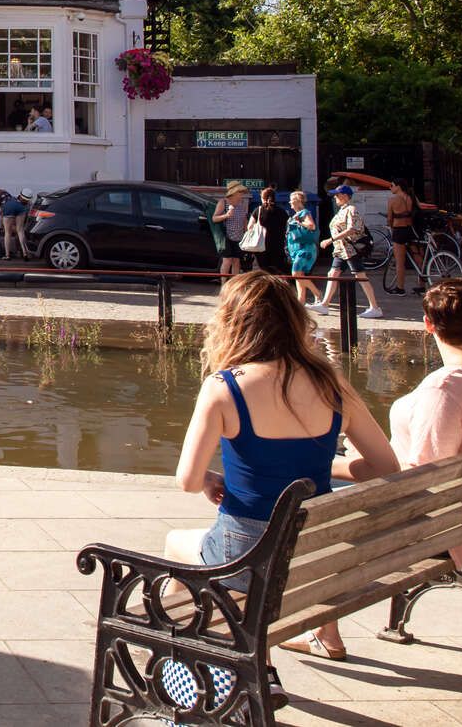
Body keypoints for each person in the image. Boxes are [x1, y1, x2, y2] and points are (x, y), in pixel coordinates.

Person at [163, 272, 398, 698]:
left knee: (177, 544)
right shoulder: (333, 386)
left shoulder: (224, 388)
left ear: (232, 323)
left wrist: (211, 480)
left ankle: (196, 671)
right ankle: (252, 662)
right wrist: (322, 465)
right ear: (295, 321)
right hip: (314, 552)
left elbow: (187, 480)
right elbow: (383, 465)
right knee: (247, 560)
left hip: (245, 554)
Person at [290, 278, 462, 662]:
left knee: (313, 489)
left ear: (428, 326)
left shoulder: (444, 390)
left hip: (444, 522)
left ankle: (324, 632)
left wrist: (339, 465)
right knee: (325, 477)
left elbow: (417, 481)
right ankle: (321, 629)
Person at [319, 184, 384, 320]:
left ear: (344, 196)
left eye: (337, 195)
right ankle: (324, 304)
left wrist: (330, 240)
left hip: (350, 250)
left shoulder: (351, 209)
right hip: (341, 250)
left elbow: (352, 229)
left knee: (360, 276)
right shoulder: (342, 210)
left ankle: (375, 307)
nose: (335, 197)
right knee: (333, 273)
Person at [285, 191, 321, 307]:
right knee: (299, 275)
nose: (290, 202)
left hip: (304, 248)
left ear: (298, 201)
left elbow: (311, 225)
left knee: (296, 274)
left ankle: (317, 293)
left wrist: (299, 222)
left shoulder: (304, 213)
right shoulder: (296, 215)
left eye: (292, 200)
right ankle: (301, 301)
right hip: (296, 249)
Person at [385, 178, 418, 296]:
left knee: (400, 262)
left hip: (399, 231)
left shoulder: (392, 200)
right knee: (418, 257)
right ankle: (422, 285)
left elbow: (389, 218)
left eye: (392, 185)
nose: (390, 187)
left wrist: (390, 226)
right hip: (410, 229)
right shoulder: (411, 198)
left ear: (398, 186)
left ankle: (400, 288)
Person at [211, 183, 251, 279]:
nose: (241, 194)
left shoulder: (241, 204)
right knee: (227, 260)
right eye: (240, 192)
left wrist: (247, 233)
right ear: (234, 193)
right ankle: (224, 284)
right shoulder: (223, 202)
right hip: (226, 237)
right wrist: (226, 215)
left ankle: (234, 284)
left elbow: (244, 219)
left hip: (239, 237)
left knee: (236, 261)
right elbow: (214, 218)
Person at [247, 185, 289, 276]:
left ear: (263, 198)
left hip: (261, 247)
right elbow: (287, 227)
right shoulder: (282, 212)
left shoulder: (258, 211)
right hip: (278, 247)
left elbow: (249, 227)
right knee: (277, 272)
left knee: (263, 272)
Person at [1, 189, 31, 259]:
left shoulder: (10, 199)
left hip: (9, 208)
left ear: (20, 194)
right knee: (20, 231)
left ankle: (7, 255)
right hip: (20, 209)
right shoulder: (27, 204)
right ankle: (25, 252)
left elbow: (2, 211)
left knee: (8, 233)